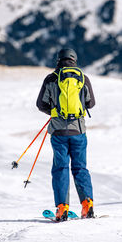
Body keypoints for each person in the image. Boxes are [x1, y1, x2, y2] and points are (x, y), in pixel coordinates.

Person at [36, 48, 96, 221]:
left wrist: (55, 112)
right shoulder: (83, 78)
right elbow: (91, 103)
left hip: (58, 132)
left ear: (58, 60)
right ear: (74, 60)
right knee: (80, 168)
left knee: (60, 168)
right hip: (78, 130)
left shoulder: (51, 79)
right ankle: (87, 205)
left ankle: (62, 208)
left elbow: (40, 104)